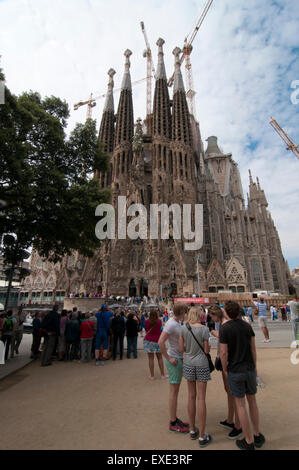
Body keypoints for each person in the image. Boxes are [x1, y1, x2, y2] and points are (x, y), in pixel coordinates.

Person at [219, 300, 265, 450]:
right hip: (250, 369)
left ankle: (248, 440)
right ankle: (257, 435)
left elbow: (223, 352)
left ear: (227, 312)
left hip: (235, 370)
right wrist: (255, 367)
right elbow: (253, 350)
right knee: (252, 402)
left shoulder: (225, 329)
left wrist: (225, 369)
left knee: (240, 405)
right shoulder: (247, 326)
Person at [179, 307, 212, 447]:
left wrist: (189, 349)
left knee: (191, 396)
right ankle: (202, 436)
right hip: (202, 364)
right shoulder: (204, 329)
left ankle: (192, 430)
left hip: (188, 363)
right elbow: (206, 350)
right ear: (200, 315)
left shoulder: (183, 328)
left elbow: (181, 350)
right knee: (201, 398)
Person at [209, 305, 241, 439]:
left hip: (228, 364)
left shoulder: (226, 325)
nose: (211, 319)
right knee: (228, 392)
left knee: (234, 394)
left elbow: (225, 348)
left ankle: (238, 426)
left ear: (217, 315)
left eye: (212, 316)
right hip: (225, 363)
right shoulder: (223, 324)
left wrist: (224, 366)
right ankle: (229, 419)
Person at [158, 303, 189, 434]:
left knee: (175, 391)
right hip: (174, 359)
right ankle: (172, 422)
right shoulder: (171, 324)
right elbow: (160, 342)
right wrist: (169, 358)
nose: (186, 314)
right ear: (181, 311)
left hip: (178, 357)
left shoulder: (176, 323)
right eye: (185, 312)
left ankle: (175, 419)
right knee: (173, 391)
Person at [143, 309, 167, 380]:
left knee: (151, 359)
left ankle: (152, 375)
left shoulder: (146, 321)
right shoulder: (159, 321)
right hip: (157, 340)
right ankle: (162, 374)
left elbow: (146, 330)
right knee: (160, 358)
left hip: (149, 341)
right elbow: (161, 329)